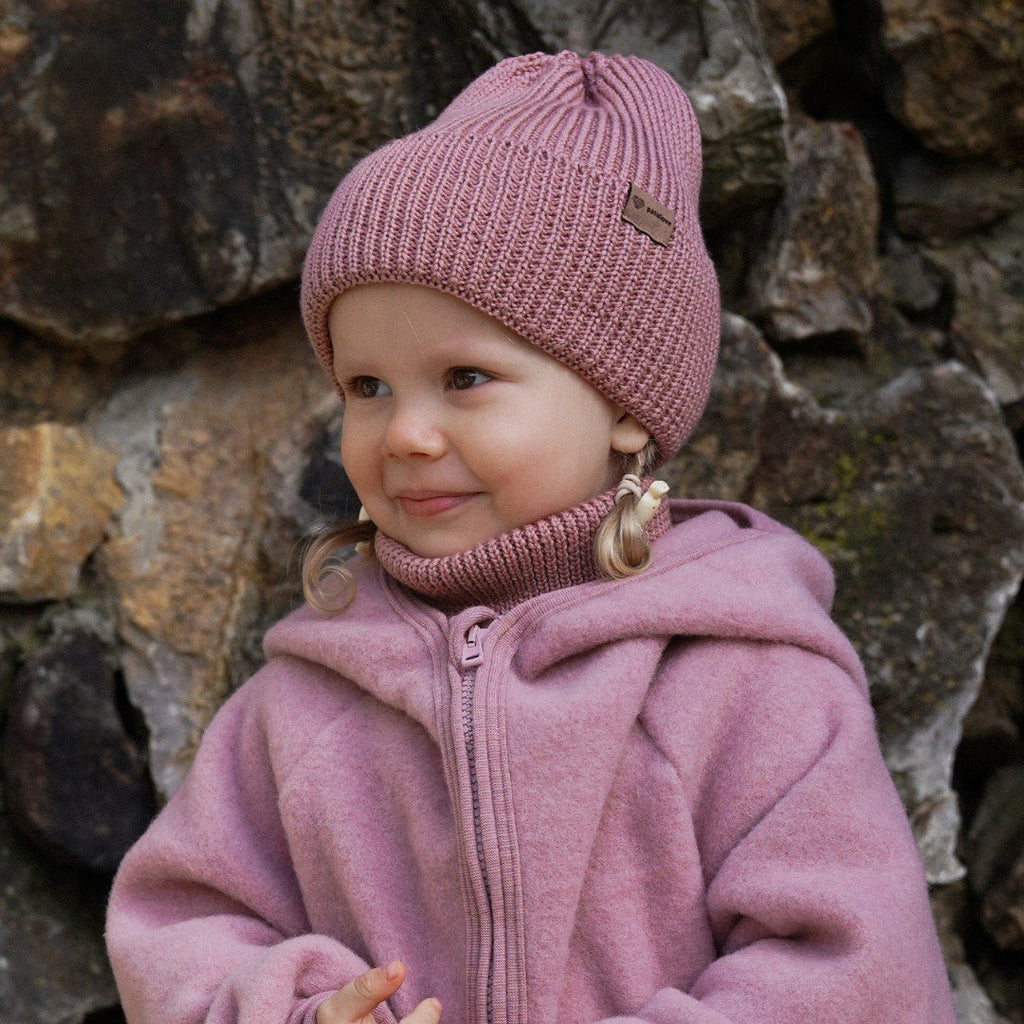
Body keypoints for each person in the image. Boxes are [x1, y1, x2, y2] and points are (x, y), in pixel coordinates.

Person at [105, 51, 957, 1024]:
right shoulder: (303, 703)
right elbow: (183, 922)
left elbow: (858, 970)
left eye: (464, 377)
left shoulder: (744, 678)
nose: (407, 433)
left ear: (625, 407)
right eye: (366, 387)